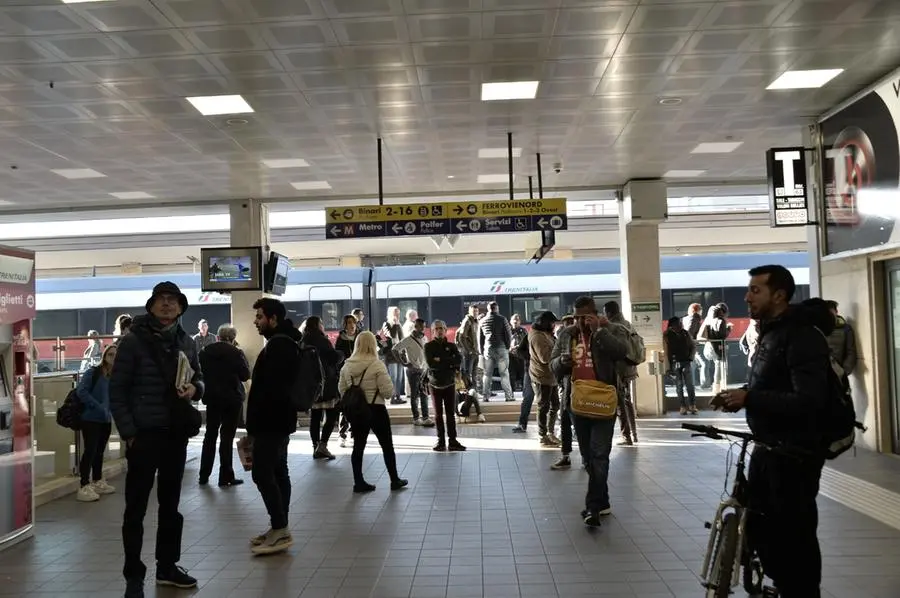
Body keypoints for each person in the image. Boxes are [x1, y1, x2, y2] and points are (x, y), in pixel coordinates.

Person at [718, 265, 830, 598]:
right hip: (768, 448)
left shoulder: (802, 337)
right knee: (761, 526)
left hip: (795, 454)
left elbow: (809, 400)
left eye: (755, 290)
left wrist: (750, 397)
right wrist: (739, 394)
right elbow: (769, 383)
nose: (747, 296)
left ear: (778, 295)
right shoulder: (771, 331)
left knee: (794, 537)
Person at [109, 281, 204, 597]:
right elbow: (117, 391)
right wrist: (130, 434)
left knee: (171, 506)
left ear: (180, 307)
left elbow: (198, 377)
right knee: (135, 508)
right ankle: (133, 576)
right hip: (144, 436)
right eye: (161, 300)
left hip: (175, 434)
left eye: (173, 301)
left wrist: (196, 389)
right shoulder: (133, 342)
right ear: (151, 306)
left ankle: (167, 566)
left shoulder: (186, 342)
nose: (167, 305)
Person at [551, 296, 627, 527]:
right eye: (577, 317)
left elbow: (621, 352)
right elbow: (552, 364)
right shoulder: (567, 334)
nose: (580, 321)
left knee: (600, 455)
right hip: (577, 403)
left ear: (595, 314)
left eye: (585, 317)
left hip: (604, 401)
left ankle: (592, 507)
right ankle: (601, 501)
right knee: (588, 458)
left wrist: (599, 331)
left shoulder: (610, 329)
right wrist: (562, 362)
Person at [246, 298, 300, 556]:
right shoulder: (284, 343)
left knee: (262, 473)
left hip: (271, 423)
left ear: (273, 319)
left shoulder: (279, 347)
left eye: (259, 317)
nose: (256, 322)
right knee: (279, 472)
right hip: (279, 422)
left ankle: (280, 527)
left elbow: (271, 392)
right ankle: (280, 527)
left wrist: (255, 426)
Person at [338, 331, 409, 493]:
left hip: (357, 410)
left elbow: (342, 390)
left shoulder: (347, 366)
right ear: (372, 344)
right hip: (376, 409)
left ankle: (358, 482)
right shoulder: (376, 365)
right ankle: (394, 479)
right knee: (386, 446)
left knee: (358, 446)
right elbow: (387, 392)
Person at [198, 324, 250, 487]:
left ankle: (203, 475)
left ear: (218, 336)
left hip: (212, 397)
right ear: (233, 338)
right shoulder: (236, 352)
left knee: (210, 435)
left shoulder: (204, 353)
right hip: (231, 399)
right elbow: (245, 375)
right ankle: (225, 476)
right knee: (226, 437)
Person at [75, 344, 118, 503]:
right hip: (91, 418)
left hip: (105, 419)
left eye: (115, 355)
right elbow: (82, 391)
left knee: (99, 451)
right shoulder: (93, 372)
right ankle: (84, 484)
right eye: (110, 355)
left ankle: (97, 479)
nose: (113, 358)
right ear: (105, 356)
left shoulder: (113, 376)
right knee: (90, 450)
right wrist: (97, 406)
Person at [302, 316, 344, 461]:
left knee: (315, 417)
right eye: (321, 323)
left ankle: (315, 446)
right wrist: (340, 355)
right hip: (326, 385)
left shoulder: (303, 340)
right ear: (318, 325)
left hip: (311, 386)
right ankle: (323, 445)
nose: (323, 325)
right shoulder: (322, 340)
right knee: (331, 415)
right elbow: (333, 357)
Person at [424, 320, 466, 452]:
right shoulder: (428, 347)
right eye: (437, 329)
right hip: (435, 384)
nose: (440, 330)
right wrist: (448, 362)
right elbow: (431, 364)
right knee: (438, 414)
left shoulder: (452, 346)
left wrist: (440, 360)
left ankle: (452, 440)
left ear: (446, 329)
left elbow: (458, 360)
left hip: (449, 383)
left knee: (450, 414)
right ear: (433, 331)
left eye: (442, 328)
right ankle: (440, 441)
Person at [603, 301, 641, 446]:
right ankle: (633, 433)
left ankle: (627, 436)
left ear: (609, 312)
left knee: (620, 402)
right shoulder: (627, 323)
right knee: (626, 401)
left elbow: (617, 350)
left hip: (620, 370)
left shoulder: (614, 327)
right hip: (630, 368)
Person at [393, 318, 434, 427]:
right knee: (415, 395)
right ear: (416, 326)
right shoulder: (408, 339)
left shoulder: (424, 338)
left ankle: (425, 417)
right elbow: (395, 349)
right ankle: (416, 418)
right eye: (421, 326)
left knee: (424, 394)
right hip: (413, 371)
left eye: (424, 326)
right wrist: (404, 363)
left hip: (423, 370)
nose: (423, 328)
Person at [529, 311, 560, 447]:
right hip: (542, 376)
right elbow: (545, 357)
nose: (554, 325)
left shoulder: (545, 334)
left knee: (554, 405)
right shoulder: (537, 337)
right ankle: (543, 435)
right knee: (544, 406)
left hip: (550, 376)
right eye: (552, 323)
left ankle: (550, 432)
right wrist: (559, 352)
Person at [479, 301, 514, 402]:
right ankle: (508, 396)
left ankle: (485, 396)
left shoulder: (482, 321)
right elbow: (508, 335)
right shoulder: (502, 319)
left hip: (488, 350)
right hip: (501, 348)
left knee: (487, 374)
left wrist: (482, 351)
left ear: (488, 309)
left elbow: (480, 338)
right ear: (497, 308)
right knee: (504, 373)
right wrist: (507, 347)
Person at [663, 317, 696, 415]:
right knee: (679, 386)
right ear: (672, 325)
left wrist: (691, 357)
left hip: (686, 361)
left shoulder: (685, 333)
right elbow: (666, 351)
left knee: (690, 385)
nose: (680, 325)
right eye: (678, 323)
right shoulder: (666, 335)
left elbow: (693, 345)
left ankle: (692, 405)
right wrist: (668, 367)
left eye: (680, 323)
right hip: (674, 363)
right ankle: (683, 406)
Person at [335, 315, 358, 448]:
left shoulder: (359, 337)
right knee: (344, 405)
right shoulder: (340, 339)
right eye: (349, 323)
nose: (351, 325)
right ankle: (342, 434)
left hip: (357, 374)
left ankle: (354, 433)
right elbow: (337, 357)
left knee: (356, 405)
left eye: (353, 322)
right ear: (345, 325)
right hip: (345, 374)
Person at [698, 304, 730, 394]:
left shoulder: (710, 320)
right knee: (720, 367)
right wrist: (729, 329)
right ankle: (719, 388)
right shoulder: (721, 321)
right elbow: (722, 335)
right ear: (723, 312)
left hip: (710, 347)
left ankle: (716, 387)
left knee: (717, 366)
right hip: (718, 347)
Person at [824, 300, 858, 384]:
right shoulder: (818, 329)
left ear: (836, 312)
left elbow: (851, 351)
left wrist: (844, 372)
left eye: (832, 313)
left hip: (839, 374)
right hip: (821, 374)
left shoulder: (845, 328)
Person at [380, 306, 407, 405]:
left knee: (400, 377)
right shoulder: (387, 324)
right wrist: (395, 324)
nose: (398, 315)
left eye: (398, 313)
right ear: (391, 314)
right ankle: (392, 397)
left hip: (399, 354)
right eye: (395, 313)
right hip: (391, 355)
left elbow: (402, 339)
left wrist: (404, 352)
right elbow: (392, 335)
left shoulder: (399, 324)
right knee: (393, 377)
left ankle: (398, 396)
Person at [457, 305, 480, 394]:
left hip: (475, 352)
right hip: (469, 353)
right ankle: (468, 391)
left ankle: (474, 392)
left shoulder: (475, 321)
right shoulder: (467, 321)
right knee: (467, 373)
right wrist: (468, 350)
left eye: (477, 311)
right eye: (473, 311)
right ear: (469, 312)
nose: (475, 313)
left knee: (474, 374)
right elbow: (462, 337)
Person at [682, 303, 706, 387]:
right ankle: (703, 383)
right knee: (704, 363)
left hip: (690, 345)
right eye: (701, 310)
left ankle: (691, 383)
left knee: (693, 365)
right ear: (697, 311)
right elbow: (690, 332)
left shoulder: (686, 319)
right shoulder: (694, 319)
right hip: (695, 344)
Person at [509, 314, 528, 392]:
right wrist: (509, 348)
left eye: (517, 320)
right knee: (511, 374)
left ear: (520, 322)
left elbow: (526, 342)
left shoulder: (523, 330)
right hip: (510, 355)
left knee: (523, 374)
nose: (515, 321)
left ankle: (525, 391)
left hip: (521, 355)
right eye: (513, 319)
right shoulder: (507, 330)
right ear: (510, 321)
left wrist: (518, 347)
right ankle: (511, 392)